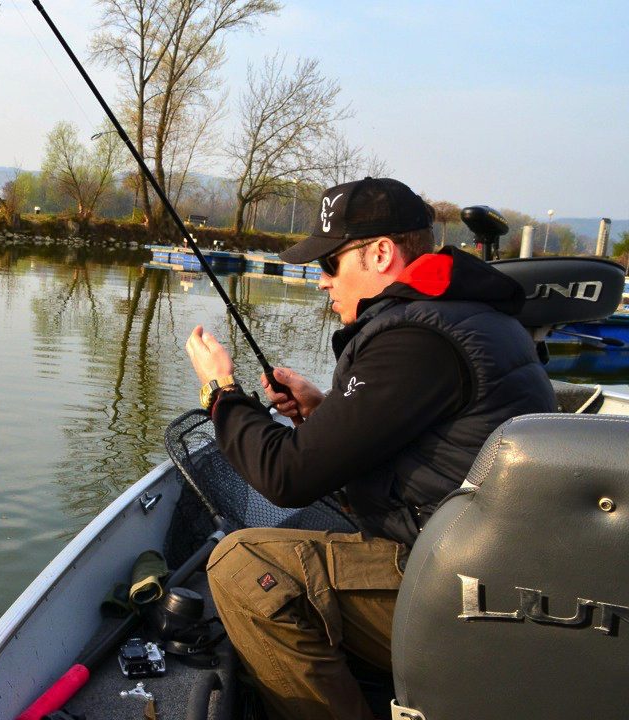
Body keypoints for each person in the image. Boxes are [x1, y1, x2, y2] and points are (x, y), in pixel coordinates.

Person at [185, 177, 556, 720]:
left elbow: (284, 476)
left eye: (330, 263)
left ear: (381, 253)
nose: (321, 282)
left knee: (241, 566)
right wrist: (323, 410)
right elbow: (431, 441)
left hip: (463, 597)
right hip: (495, 571)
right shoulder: (465, 315)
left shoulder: (414, 338)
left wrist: (221, 392)